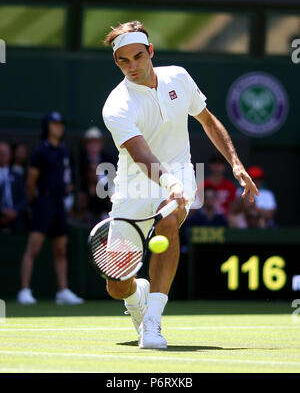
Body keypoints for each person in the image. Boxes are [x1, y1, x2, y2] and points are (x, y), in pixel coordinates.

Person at [101, 21, 258, 349]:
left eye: (138, 57)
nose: (133, 66)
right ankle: (136, 298)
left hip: (180, 173)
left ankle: (153, 323)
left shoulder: (179, 78)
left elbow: (208, 121)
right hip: (133, 188)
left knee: (168, 220)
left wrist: (236, 163)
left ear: (151, 52)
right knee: (117, 285)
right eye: (123, 61)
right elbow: (142, 155)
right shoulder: (117, 105)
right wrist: (167, 181)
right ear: (116, 61)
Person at [17, 112, 84, 305]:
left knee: (61, 249)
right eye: (54, 124)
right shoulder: (40, 152)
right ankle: (24, 290)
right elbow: (31, 181)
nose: (59, 127)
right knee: (34, 248)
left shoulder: (64, 151)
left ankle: (62, 291)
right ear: (47, 127)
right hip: (43, 203)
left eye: (60, 124)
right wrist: (34, 203)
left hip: (59, 204)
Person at [0, 142, 28, 232]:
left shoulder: (17, 176)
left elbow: (24, 198)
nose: (3, 156)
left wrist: (15, 211)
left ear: (10, 155)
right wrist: (2, 211)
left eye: (6, 153)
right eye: (1, 153)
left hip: (17, 219)